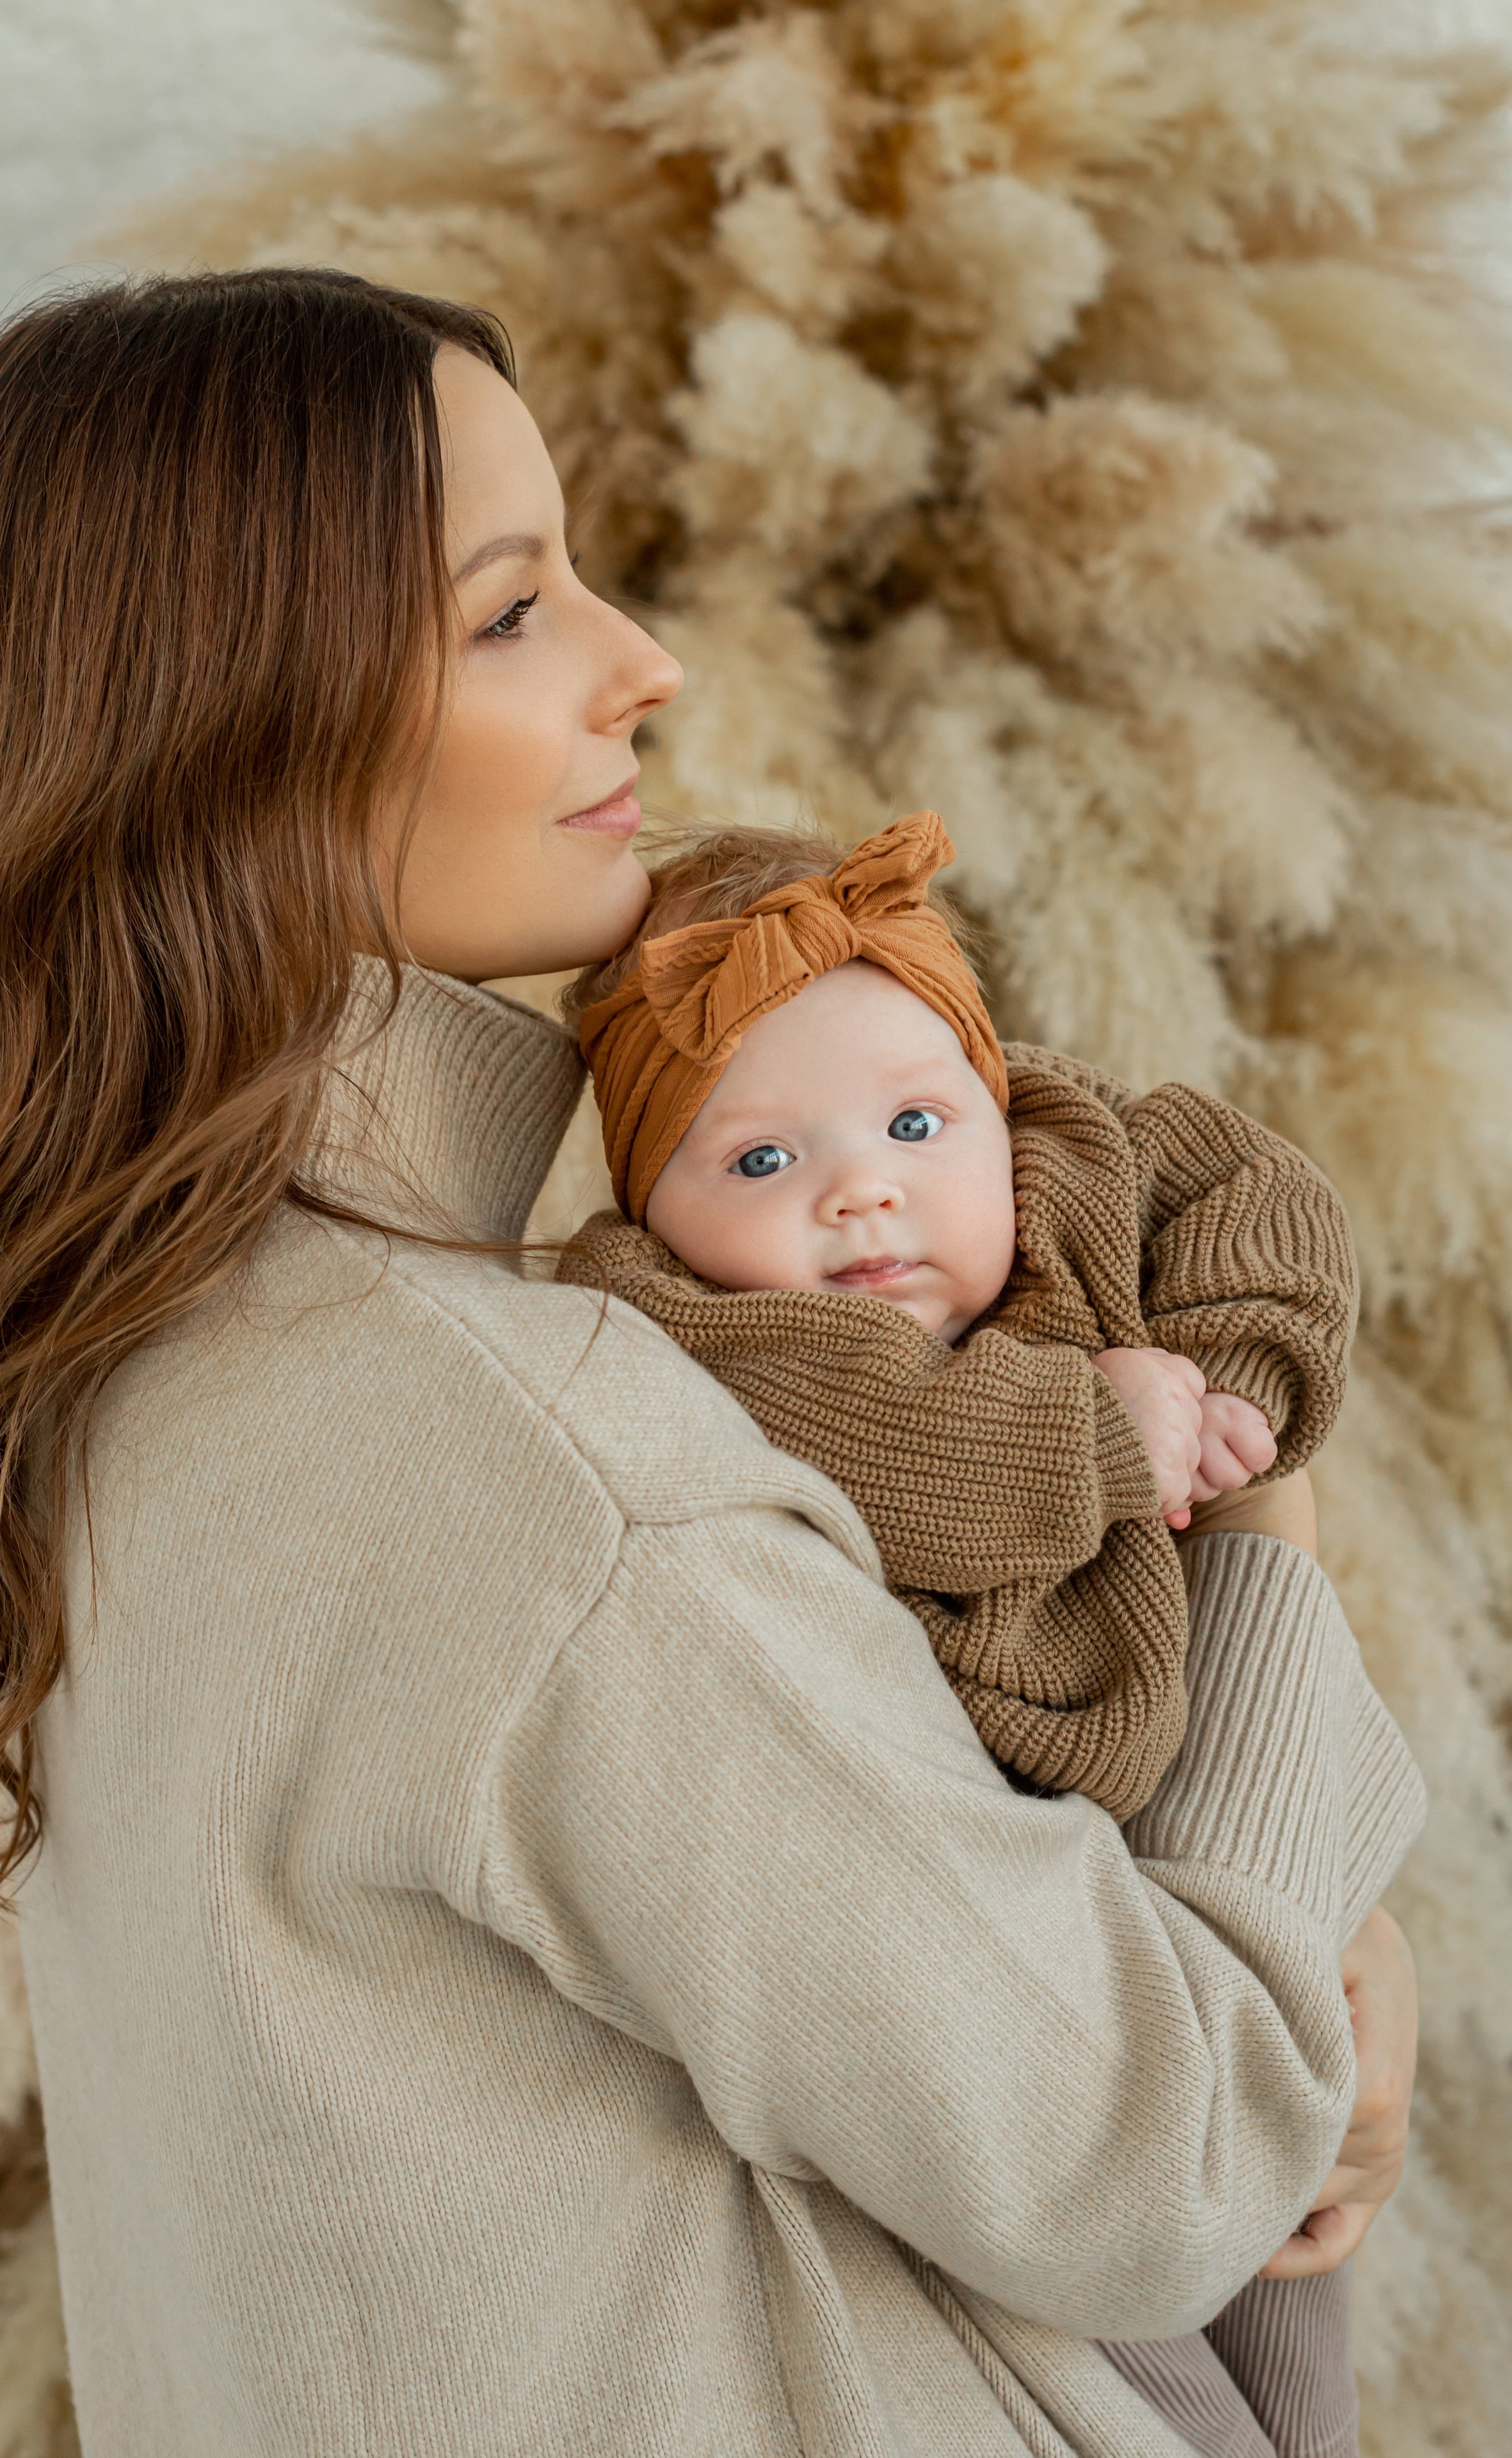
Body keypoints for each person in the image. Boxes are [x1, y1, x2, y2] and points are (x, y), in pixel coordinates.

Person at [0, 268, 1420, 2458]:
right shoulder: (547, 1473)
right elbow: (1166, 2159)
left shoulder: (94, 1365)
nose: (642, 664)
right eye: (515, 612)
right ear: (238, 734)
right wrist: (1254, 1556)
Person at [555, 813, 1426, 2455]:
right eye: (759, 1161)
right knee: (1114, 2338)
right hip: (1005, 1920)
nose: (860, 1189)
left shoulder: (1066, 1157)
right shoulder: (687, 1331)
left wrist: (1236, 1377)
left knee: (1296, 2269)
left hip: (1189, 1817)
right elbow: (889, 1437)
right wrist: (1097, 1433)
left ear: (991, 1092)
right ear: (647, 1204)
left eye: (911, 1119)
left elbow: (1259, 1194)